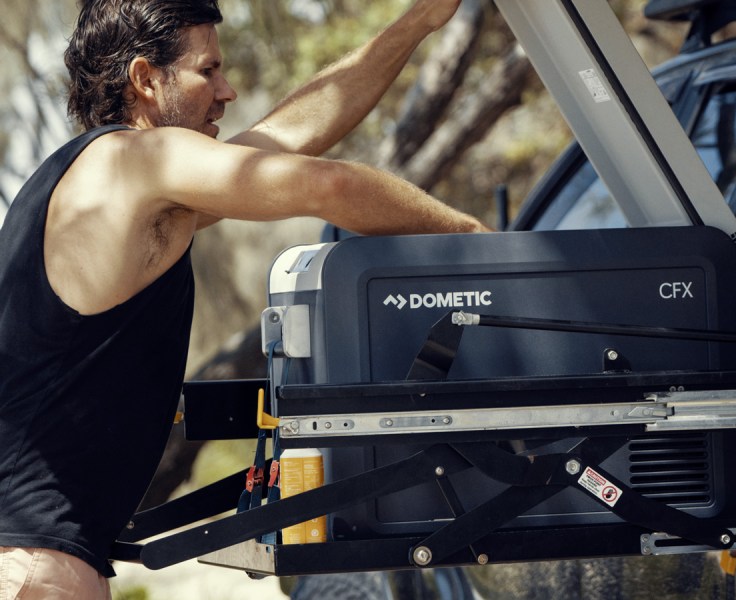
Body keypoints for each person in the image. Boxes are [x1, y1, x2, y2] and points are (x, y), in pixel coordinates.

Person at [0, 0, 488, 596]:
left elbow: (286, 138)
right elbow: (329, 183)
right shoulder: (135, 161)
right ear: (145, 79)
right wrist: (482, 245)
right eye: (208, 70)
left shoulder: (103, 183)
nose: (227, 90)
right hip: (33, 568)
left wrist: (416, 23)